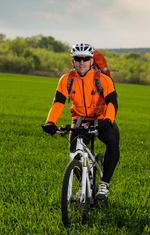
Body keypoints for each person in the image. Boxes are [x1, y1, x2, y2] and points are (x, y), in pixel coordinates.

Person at [42, 42, 119, 201]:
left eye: (85, 59)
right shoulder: (66, 80)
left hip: (101, 118)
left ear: (91, 61)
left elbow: (112, 103)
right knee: (74, 153)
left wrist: (108, 120)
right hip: (80, 119)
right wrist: (50, 122)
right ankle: (82, 185)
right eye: (78, 59)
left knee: (112, 140)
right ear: (73, 61)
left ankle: (104, 184)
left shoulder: (102, 79)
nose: (82, 62)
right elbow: (58, 102)